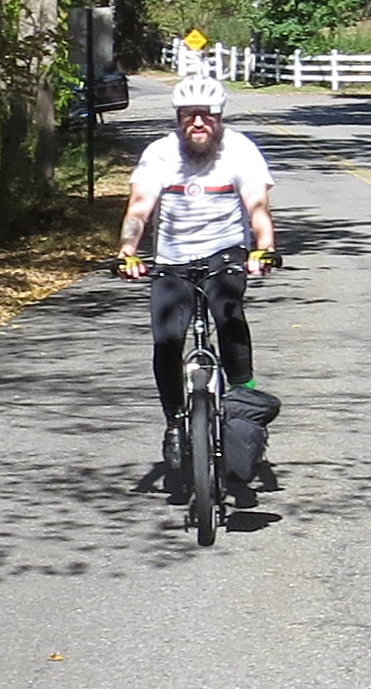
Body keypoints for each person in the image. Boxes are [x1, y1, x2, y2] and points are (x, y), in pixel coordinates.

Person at [117, 71, 278, 478]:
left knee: (229, 315)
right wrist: (127, 251)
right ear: (178, 117)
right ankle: (175, 421)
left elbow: (257, 207)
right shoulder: (160, 154)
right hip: (172, 260)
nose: (198, 122)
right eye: (189, 114)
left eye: (207, 114)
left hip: (225, 254)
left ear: (220, 116)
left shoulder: (240, 151)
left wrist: (263, 248)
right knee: (166, 340)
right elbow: (139, 207)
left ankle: (243, 401)